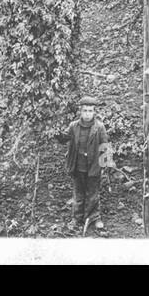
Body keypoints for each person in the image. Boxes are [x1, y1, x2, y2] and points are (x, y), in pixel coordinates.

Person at [59, 97, 108, 233]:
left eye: (90, 111)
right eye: (85, 110)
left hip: (93, 167)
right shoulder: (74, 126)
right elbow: (64, 138)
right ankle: (77, 218)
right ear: (80, 111)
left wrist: (105, 166)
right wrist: (55, 132)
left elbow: (105, 146)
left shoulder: (99, 127)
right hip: (77, 166)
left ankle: (94, 217)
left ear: (94, 112)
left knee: (93, 193)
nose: (87, 113)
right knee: (78, 193)